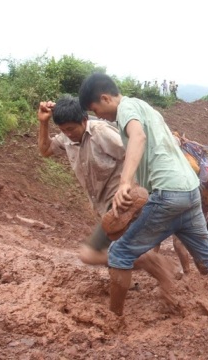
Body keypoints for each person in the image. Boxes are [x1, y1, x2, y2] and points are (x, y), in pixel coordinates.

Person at [78, 73, 208, 320]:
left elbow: (138, 137)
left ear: (105, 98)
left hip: (168, 193)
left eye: (96, 110)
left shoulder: (126, 109)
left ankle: (114, 318)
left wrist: (124, 183)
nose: (99, 117)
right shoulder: (146, 107)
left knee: (120, 254)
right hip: (190, 192)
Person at [37, 95, 178, 309]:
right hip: (105, 208)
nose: (67, 133)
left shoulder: (102, 133)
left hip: (123, 203)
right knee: (119, 255)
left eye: (71, 128)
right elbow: (45, 150)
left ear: (84, 120)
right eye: (63, 129)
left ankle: (154, 268)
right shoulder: (67, 139)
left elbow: (135, 149)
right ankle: (159, 272)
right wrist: (44, 122)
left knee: (90, 254)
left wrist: (133, 187)